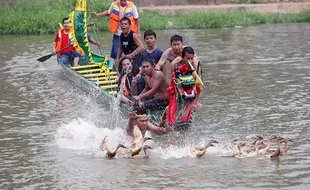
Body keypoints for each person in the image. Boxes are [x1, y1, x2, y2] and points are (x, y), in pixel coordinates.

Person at [165, 46, 203, 126]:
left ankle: (186, 117)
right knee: (174, 106)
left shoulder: (195, 63)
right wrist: (173, 64)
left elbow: (199, 84)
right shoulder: (176, 63)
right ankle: (172, 122)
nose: (189, 60)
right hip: (178, 86)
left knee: (191, 97)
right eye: (187, 58)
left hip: (190, 86)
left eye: (191, 58)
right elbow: (173, 79)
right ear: (182, 57)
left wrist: (195, 102)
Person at [131, 30, 163, 96]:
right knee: (134, 81)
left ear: (155, 39)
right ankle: (135, 99)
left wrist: (163, 78)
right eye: (147, 38)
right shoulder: (143, 53)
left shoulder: (160, 52)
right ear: (144, 40)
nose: (149, 40)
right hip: (144, 75)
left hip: (155, 76)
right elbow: (141, 67)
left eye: (151, 38)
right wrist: (139, 75)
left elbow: (163, 68)